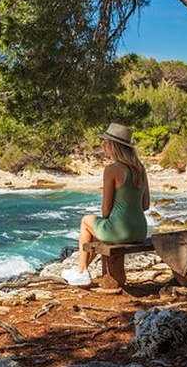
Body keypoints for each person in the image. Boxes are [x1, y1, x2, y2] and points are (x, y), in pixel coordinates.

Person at [62, 122, 150, 285]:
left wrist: (110, 219)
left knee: (86, 221)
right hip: (140, 231)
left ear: (114, 146)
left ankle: (81, 272)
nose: (103, 145)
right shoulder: (140, 169)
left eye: (106, 142)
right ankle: (81, 270)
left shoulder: (112, 169)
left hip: (119, 232)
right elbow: (145, 205)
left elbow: (105, 210)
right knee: (95, 232)